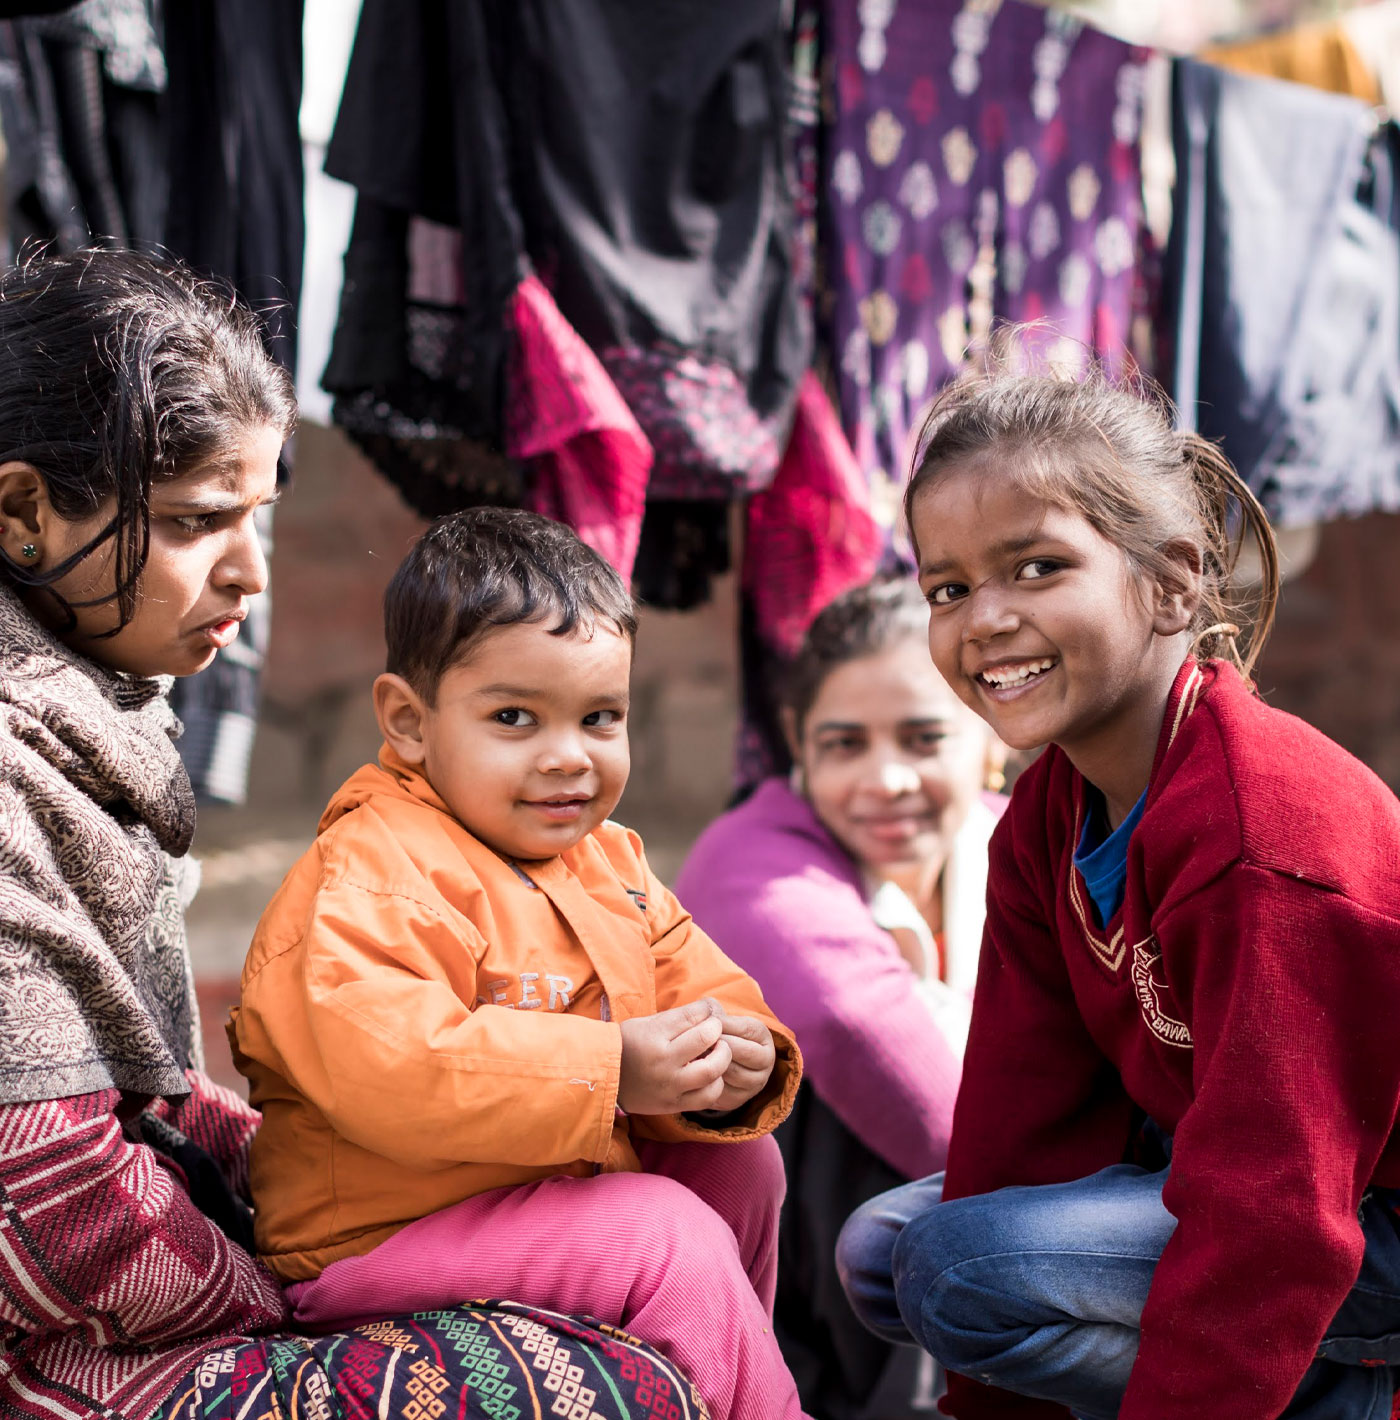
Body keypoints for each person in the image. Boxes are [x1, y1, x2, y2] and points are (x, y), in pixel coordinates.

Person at [0, 247, 716, 1420]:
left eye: (257, 517)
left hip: (156, 1287)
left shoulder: (87, 742)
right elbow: (43, 1202)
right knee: (599, 1386)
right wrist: (293, 1283)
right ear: (25, 510)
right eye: (195, 521)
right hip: (71, 1365)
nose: (249, 572)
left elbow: (164, 1109)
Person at [836, 365, 1400, 1420]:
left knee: (957, 1269)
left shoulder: (1264, 837)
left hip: (1359, 1208)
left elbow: (1274, 1210)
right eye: (948, 588)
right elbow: (1020, 1117)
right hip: (1223, 1170)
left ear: (1174, 583)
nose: (983, 620)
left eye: (1035, 567)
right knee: (889, 1251)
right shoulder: (1044, 819)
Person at [230, 506, 808, 1420]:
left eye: (599, 718)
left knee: (746, 1169)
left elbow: (697, 979)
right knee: (667, 1236)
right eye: (515, 718)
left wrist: (738, 1059)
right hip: (375, 1239)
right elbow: (388, 1062)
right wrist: (614, 1072)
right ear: (409, 722)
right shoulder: (374, 870)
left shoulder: (608, 862)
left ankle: (684, 1388)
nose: (567, 758)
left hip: (531, 1199)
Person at [676, 577, 1006, 1420]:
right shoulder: (751, 856)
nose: (885, 779)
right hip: (819, 1298)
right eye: (845, 743)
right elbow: (863, 1036)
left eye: (924, 737)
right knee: (792, 1078)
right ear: (798, 744)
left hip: (991, 1213)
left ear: (989, 736)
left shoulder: (1024, 843)